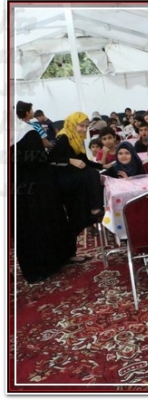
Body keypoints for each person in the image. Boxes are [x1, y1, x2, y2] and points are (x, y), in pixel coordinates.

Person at [13, 104, 76, 282]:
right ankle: (51, 262)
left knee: (26, 228)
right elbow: (39, 160)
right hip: (39, 187)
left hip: (18, 190)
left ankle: (35, 269)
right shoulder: (27, 132)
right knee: (44, 221)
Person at [48, 112, 105, 245]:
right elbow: (51, 158)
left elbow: (84, 160)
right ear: (73, 124)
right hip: (64, 177)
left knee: (98, 173)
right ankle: (94, 209)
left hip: (73, 174)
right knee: (92, 175)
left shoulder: (76, 138)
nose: (84, 129)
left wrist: (102, 166)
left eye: (86, 126)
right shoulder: (64, 137)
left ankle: (94, 212)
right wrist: (70, 160)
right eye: (81, 126)